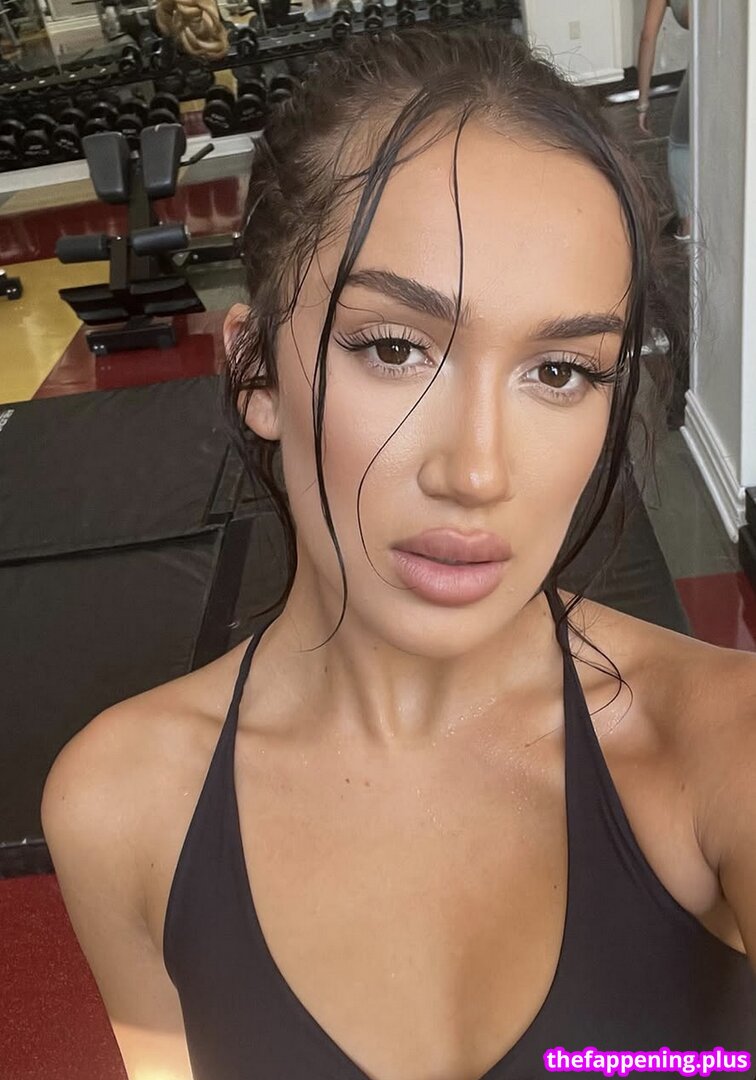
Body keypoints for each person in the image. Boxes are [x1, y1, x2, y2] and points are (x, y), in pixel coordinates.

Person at [41, 21, 756, 1080]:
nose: (477, 472)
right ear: (256, 374)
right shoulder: (120, 806)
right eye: (393, 347)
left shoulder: (723, 749)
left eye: (561, 371)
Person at [637, 0, 691, 240]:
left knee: (680, 145)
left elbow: (648, 37)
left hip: (713, 65)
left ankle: (688, 226)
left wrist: (643, 103)